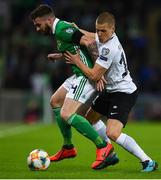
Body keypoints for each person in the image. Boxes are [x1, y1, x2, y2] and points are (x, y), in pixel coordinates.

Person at [64, 12, 158, 172]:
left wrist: (77, 61)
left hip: (123, 93)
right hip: (110, 91)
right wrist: (78, 29)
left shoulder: (109, 48)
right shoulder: (106, 37)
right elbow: (93, 36)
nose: (100, 34)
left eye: (103, 31)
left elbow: (94, 75)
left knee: (113, 132)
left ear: (113, 29)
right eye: (98, 30)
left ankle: (148, 161)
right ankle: (109, 152)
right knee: (90, 119)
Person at [29, 4, 118, 170]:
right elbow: (76, 48)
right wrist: (60, 55)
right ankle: (68, 147)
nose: (37, 28)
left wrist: (98, 72)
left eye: (38, 24)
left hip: (85, 76)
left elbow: (89, 41)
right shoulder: (59, 31)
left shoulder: (62, 29)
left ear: (48, 20)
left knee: (66, 114)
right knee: (55, 101)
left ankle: (103, 147)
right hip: (77, 74)